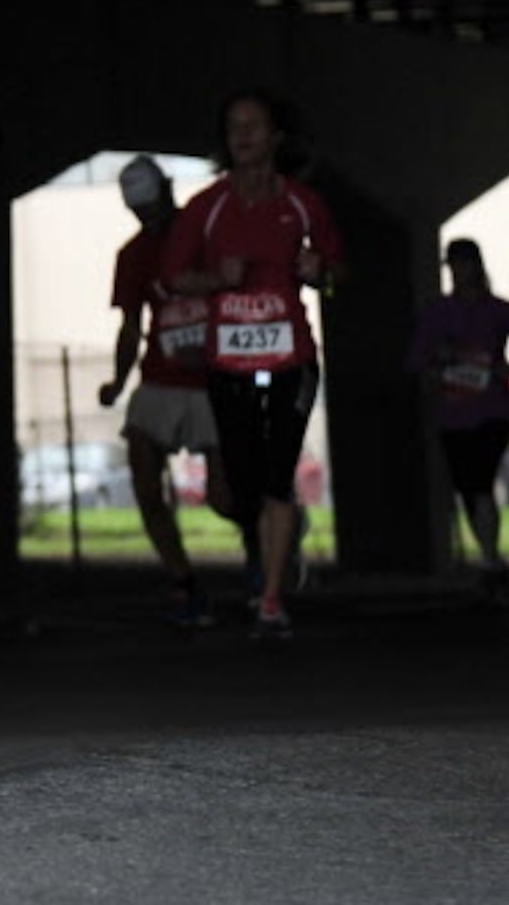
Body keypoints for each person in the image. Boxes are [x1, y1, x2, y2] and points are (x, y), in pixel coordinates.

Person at [160, 89, 342, 642]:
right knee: (242, 488)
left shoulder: (303, 203)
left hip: (292, 359)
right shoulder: (207, 206)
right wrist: (218, 279)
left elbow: (339, 271)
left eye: (254, 126)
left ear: (275, 136)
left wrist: (319, 272)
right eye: (233, 126)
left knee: (277, 477)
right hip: (229, 364)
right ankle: (271, 545)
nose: (242, 136)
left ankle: (270, 600)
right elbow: (173, 278)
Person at [95, 155, 241, 625]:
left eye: (154, 207)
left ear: (168, 190)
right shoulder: (133, 255)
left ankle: (271, 532)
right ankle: (185, 581)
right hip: (160, 379)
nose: (149, 219)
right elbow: (130, 327)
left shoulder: (208, 236)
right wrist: (118, 382)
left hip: (213, 380)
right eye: (140, 212)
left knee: (222, 497)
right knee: (142, 471)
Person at [407, 238, 509, 601]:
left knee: (479, 480)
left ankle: (488, 559)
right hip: (454, 412)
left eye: (465, 263)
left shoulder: (501, 310)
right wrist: (440, 364)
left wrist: (506, 369)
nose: (459, 271)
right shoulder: (437, 312)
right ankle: (491, 557)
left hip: (493, 409)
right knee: (468, 486)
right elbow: (416, 359)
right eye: (454, 264)